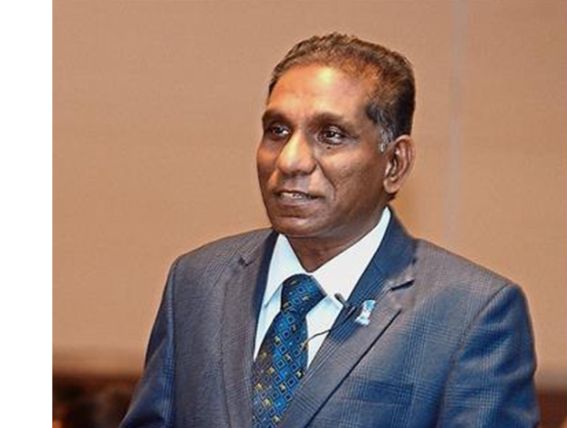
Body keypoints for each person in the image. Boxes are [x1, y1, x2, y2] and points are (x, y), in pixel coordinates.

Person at [121, 33, 539, 427]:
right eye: (277, 131)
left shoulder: (471, 313)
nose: (291, 160)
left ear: (394, 164)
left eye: (331, 135)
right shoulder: (198, 282)